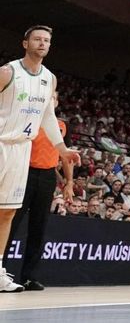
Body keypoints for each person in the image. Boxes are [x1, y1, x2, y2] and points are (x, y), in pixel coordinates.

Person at [0, 26, 80, 294]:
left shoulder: (50, 79)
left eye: (47, 40)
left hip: (22, 149)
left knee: (8, 212)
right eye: (37, 39)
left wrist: (62, 148)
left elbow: (47, 116)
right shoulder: (8, 72)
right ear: (25, 43)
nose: (42, 43)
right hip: (1, 143)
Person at [11, 93, 74, 290]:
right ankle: (1, 271)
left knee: (38, 227)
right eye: (47, 97)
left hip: (47, 177)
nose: (51, 100)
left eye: (54, 97)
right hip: (25, 172)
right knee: (11, 223)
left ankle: (28, 276)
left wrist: (69, 182)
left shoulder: (62, 126)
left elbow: (66, 156)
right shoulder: (28, 118)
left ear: (57, 101)